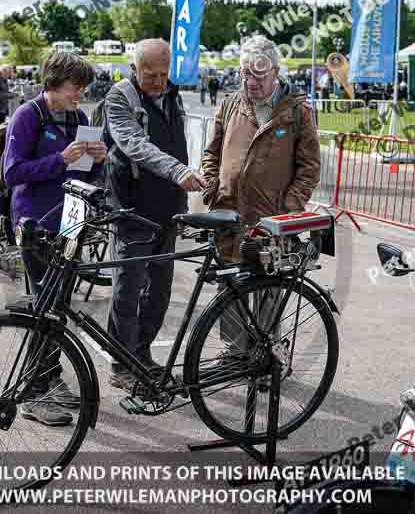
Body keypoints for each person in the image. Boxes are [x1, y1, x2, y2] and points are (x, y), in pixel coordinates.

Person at [3, 52, 106, 425]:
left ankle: (50, 378)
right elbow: (12, 173)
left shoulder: (79, 117)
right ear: (54, 82)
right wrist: (60, 159)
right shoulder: (28, 115)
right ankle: (33, 392)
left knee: (57, 308)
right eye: (75, 86)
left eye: (83, 86)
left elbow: (86, 175)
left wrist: (98, 159)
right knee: (44, 309)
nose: (81, 92)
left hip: (70, 221)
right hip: (36, 224)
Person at [201, 35, 321, 355]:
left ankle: (264, 356)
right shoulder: (230, 103)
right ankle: (234, 352)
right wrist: (213, 186)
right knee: (230, 286)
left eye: (258, 75)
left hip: (273, 221)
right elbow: (211, 153)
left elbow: (309, 167)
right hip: (229, 214)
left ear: (276, 72)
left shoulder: (298, 111)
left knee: (269, 289)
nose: (249, 81)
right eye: (244, 74)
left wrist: (289, 208)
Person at [103, 38, 206, 393]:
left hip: (168, 209)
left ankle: (142, 356)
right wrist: (178, 171)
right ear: (135, 68)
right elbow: (134, 144)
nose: (158, 82)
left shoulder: (172, 95)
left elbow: (180, 141)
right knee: (128, 290)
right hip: (131, 210)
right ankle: (122, 364)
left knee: (159, 292)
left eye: (164, 74)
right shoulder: (118, 97)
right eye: (151, 74)